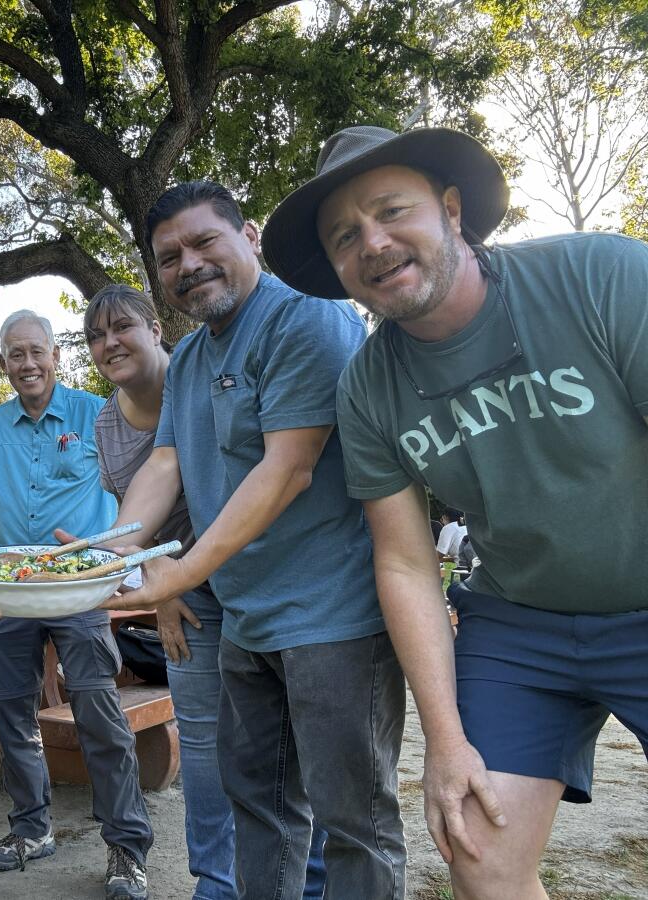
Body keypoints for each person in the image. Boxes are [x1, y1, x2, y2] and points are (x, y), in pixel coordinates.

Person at [260, 123, 648, 899]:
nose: (371, 242)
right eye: (344, 236)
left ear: (451, 208)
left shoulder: (601, 274)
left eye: (391, 211)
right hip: (520, 625)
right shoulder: (368, 385)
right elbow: (404, 560)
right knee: (477, 850)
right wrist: (443, 740)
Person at [97, 182, 406, 899]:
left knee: (354, 822)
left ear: (252, 236)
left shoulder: (309, 319)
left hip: (332, 618)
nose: (188, 264)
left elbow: (288, 469)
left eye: (205, 242)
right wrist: (113, 548)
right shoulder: (194, 360)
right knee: (260, 809)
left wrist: (175, 575)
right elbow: (166, 464)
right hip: (247, 622)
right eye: (169, 256)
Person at [0, 309, 153, 900]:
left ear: (56, 356)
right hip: (8, 589)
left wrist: (119, 560)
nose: (27, 363)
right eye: (15, 354)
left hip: (77, 589)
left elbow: (138, 488)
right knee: (11, 713)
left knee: (99, 715)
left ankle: (126, 848)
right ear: (4, 363)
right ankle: (31, 829)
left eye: (37, 350)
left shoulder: (99, 413)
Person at [84, 285, 237, 900]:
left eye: (121, 327)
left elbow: (232, 487)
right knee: (201, 743)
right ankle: (216, 885)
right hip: (180, 596)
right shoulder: (105, 421)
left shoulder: (204, 381)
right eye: (95, 336)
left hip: (250, 578)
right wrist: (160, 585)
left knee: (273, 739)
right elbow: (141, 515)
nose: (108, 343)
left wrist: (174, 575)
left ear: (154, 328)